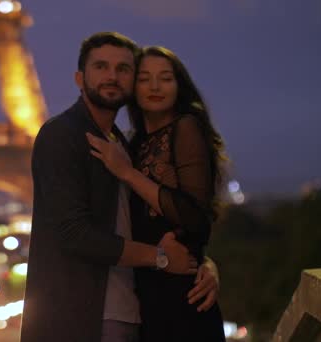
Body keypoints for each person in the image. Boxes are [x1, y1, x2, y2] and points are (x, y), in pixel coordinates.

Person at [20, 32, 219, 342]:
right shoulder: (61, 135)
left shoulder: (123, 145)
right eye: (100, 66)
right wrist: (161, 258)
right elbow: (74, 234)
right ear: (79, 78)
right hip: (84, 318)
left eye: (123, 69)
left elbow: (165, 219)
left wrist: (201, 261)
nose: (112, 76)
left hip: (137, 313)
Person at [86, 45, 227, 341]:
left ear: (179, 86)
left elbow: (194, 216)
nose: (154, 86)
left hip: (182, 297)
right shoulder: (133, 143)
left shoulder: (186, 128)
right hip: (146, 298)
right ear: (133, 87)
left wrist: (127, 173)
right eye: (144, 78)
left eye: (165, 78)